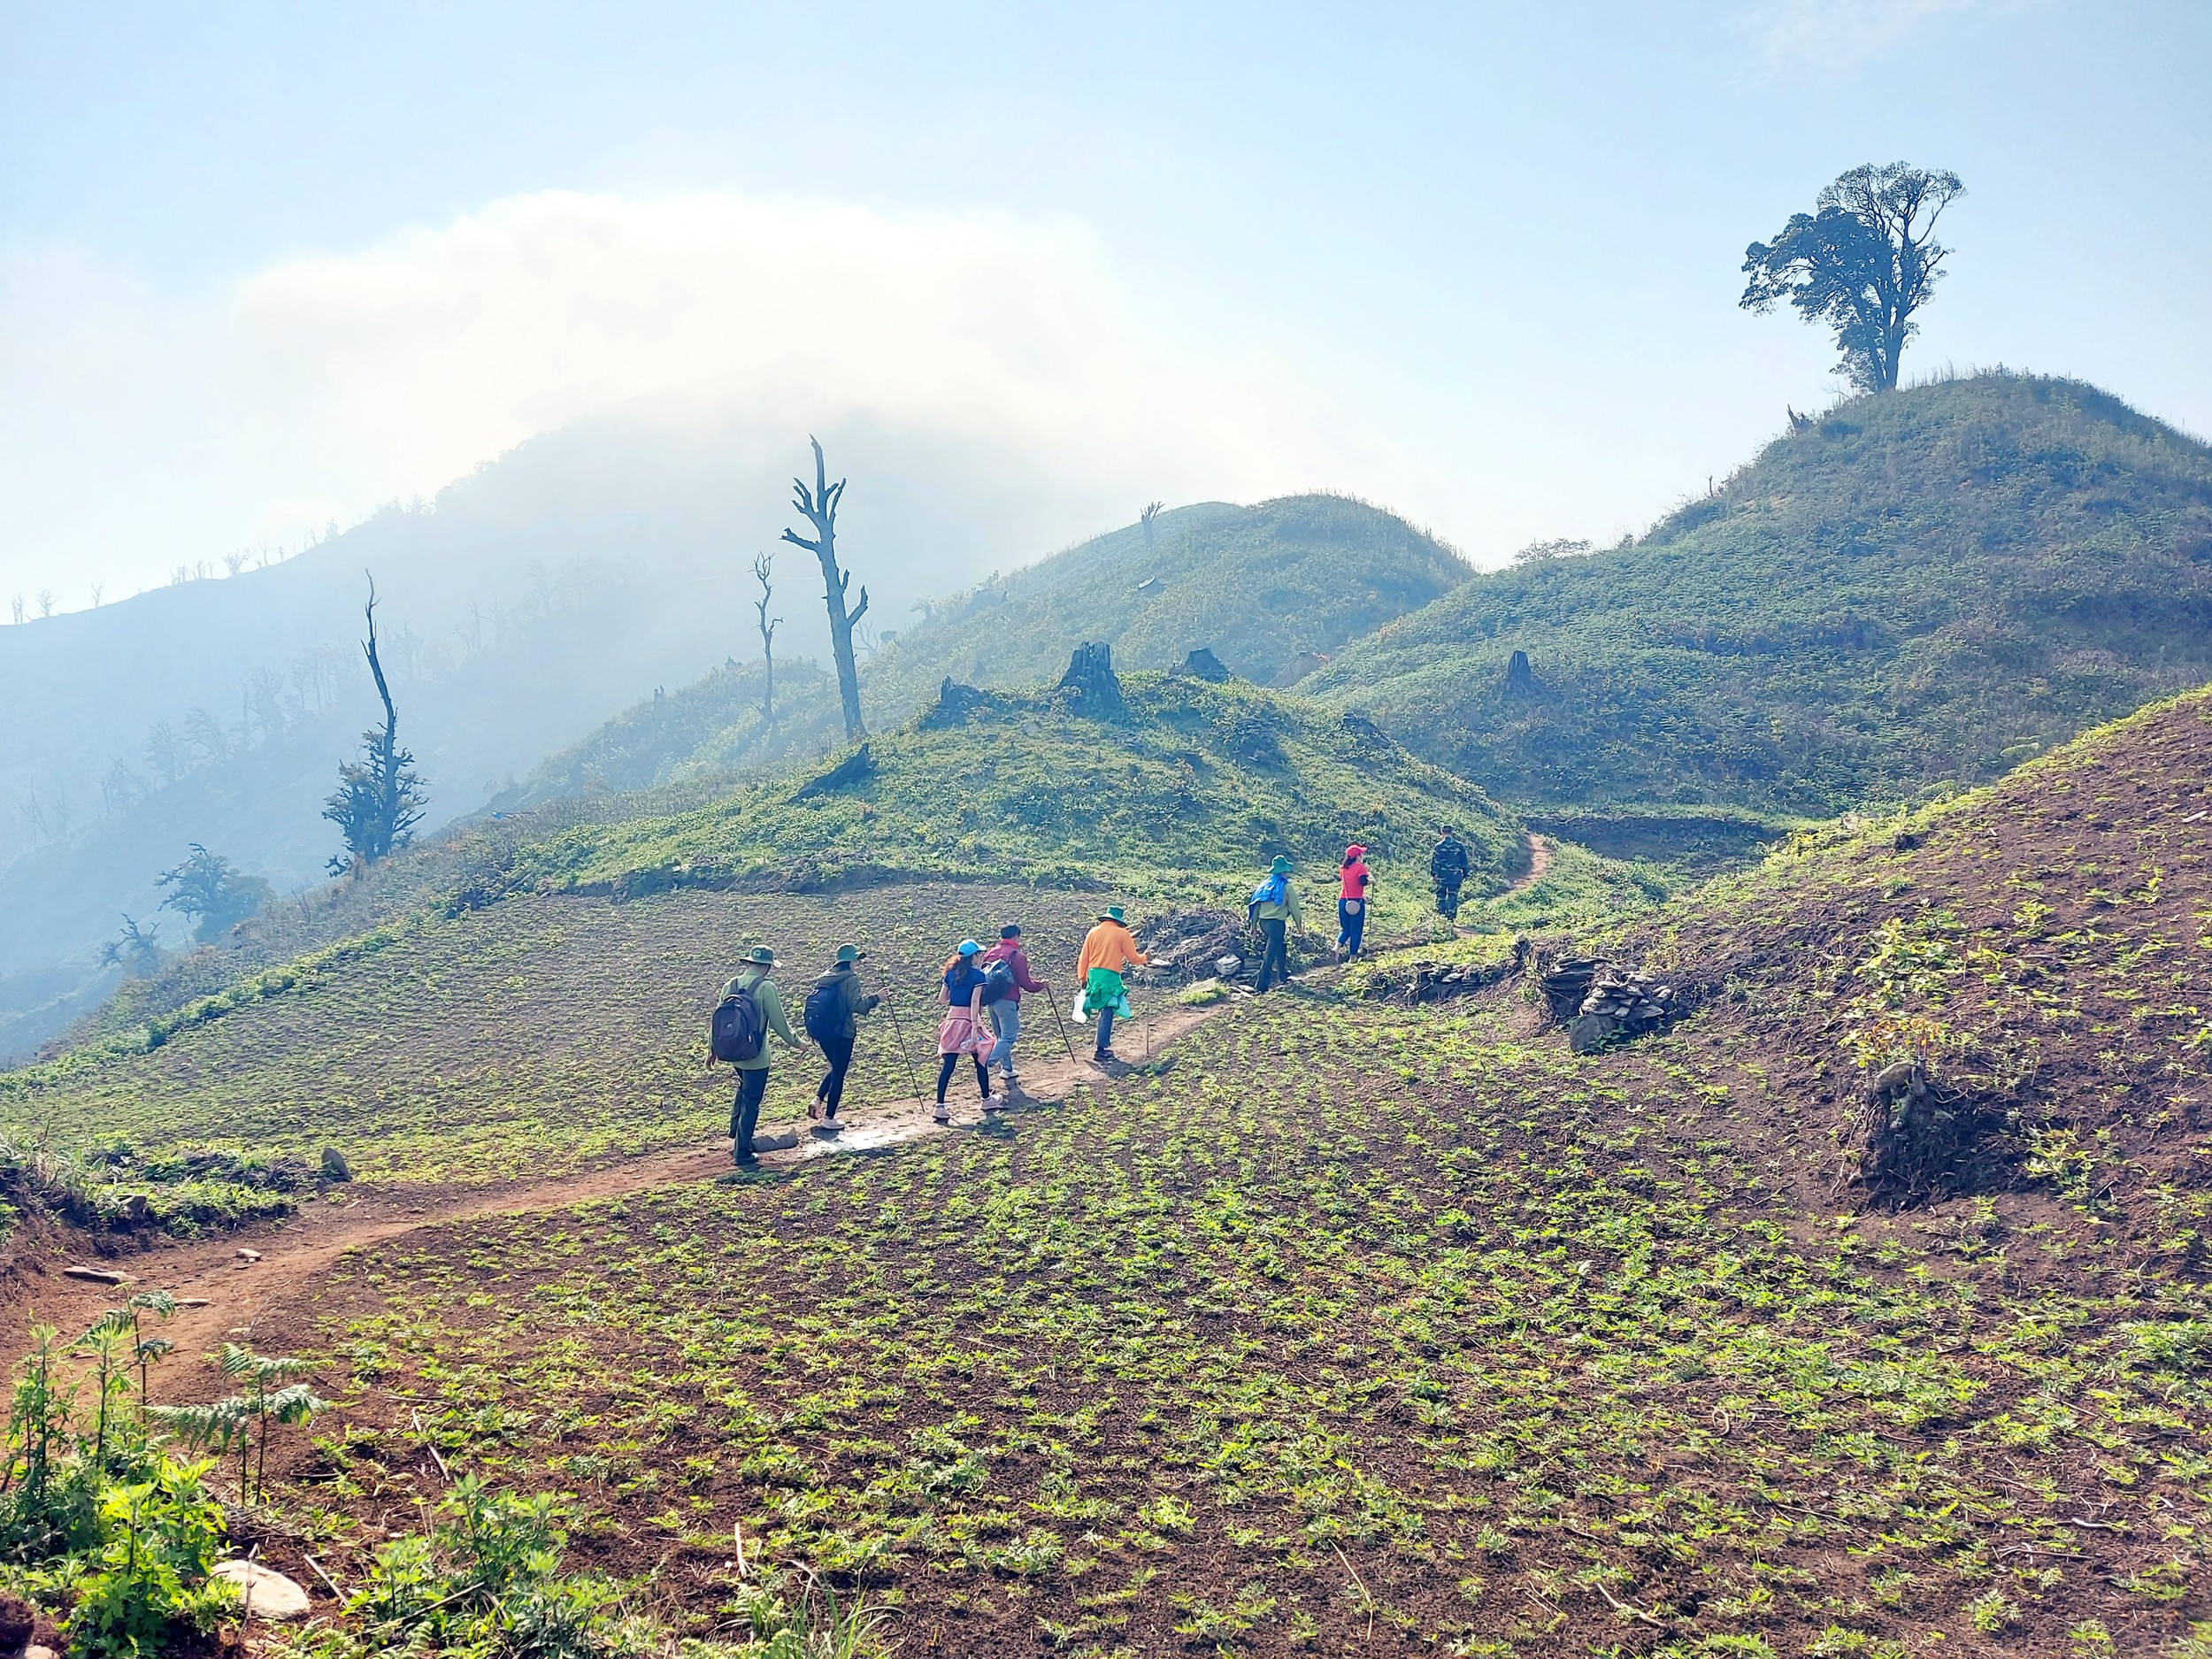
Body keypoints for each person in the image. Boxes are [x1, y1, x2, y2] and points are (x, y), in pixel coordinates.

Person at [722, 944, 803, 1168]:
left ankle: (736, 1135)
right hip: (756, 1055)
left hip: (733, 1051)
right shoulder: (766, 988)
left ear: (748, 963)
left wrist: (712, 1049)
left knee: (743, 1091)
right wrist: (798, 1043)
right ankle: (742, 1151)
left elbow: (718, 1018)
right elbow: (779, 1023)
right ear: (766, 967)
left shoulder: (731, 985)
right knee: (752, 1100)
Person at [804, 943, 879, 1130]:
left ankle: (818, 1099)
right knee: (839, 1073)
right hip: (842, 1032)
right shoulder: (851, 979)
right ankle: (829, 1118)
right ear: (849, 961)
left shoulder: (826, 978)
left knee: (836, 1068)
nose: (858, 963)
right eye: (856, 959)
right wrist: (877, 998)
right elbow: (858, 1006)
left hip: (823, 1032)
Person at [978, 924, 1048, 1096]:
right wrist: (1041, 985)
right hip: (1008, 1001)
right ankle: (986, 1063)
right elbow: (1026, 983)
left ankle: (1007, 1069)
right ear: (1016, 937)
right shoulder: (1018, 956)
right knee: (1009, 1035)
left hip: (990, 1000)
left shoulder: (990, 953)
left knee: (1000, 1036)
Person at [1073, 905, 1148, 1063]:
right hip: (1110, 976)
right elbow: (1133, 958)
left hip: (1093, 974)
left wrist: (1082, 977)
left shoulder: (1093, 932)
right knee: (1107, 1010)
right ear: (1119, 921)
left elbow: (1084, 956)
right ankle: (1101, 1049)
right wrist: (1145, 958)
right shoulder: (1122, 934)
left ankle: (1101, 1045)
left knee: (1102, 1008)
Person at [934, 940, 998, 1123]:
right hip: (969, 1020)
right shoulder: (978, 976)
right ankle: (986, 1099)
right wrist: (973, 1027)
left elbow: (941, 999)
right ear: (974, 957)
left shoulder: (950, 974)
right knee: (981, 1058)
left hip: (952, 1018)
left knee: (948, 1065)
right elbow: (974, 1003)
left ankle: (939, 1106)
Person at [1246, 855, 1304, 994]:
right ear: (1284, 871)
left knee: (1280, 946)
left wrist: (1253, 926)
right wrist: (1299, 926)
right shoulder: (1287, 887)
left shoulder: (1264, 886)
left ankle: (1283, 974)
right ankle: (1261, 985)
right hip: (1277, 924)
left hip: (1263, 923)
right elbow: (1294, 908)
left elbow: (1256, 906)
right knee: (1270, 953)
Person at [1337, 844, 1372, 961]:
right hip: (1356, 902)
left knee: (1345, 929)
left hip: (1343, 901)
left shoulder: (1342, 869)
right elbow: (1362, 882)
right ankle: (1352, 957)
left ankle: (1336, 948)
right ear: (1358, 856)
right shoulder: (1360, 868)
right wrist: (1371, 880)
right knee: (1356, 930)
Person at [1431, 827, 1471, 921]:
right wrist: (1465, 874)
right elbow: (1464, 862)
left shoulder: (1439, 846)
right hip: (1455, 876)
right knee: (1453, 896)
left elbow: (1435, 862)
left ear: (1442, 832)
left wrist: (1433, 874)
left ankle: (1441, 915)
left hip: (1442, 875)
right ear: (1452, 832)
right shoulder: (1459, 846)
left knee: (1441, 895)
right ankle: (1451, 917)